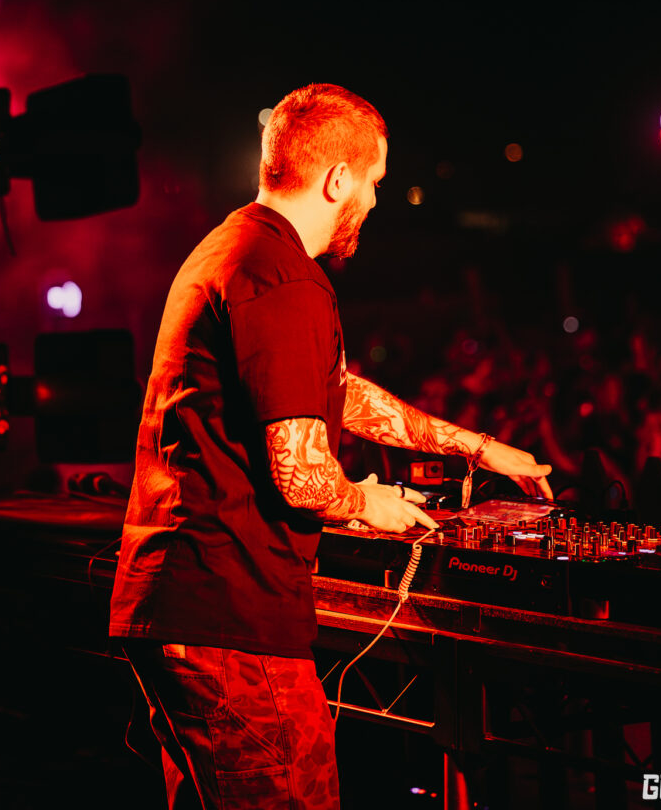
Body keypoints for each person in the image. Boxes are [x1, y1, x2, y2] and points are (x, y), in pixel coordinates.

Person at [109, 82, 553, 810]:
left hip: (183, 608)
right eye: (374, 181)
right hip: (232, 622)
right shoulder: (284, 278)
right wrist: (371, 504)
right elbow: (301, 477)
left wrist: (478, 448)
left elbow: (336, 393)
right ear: (338, 178)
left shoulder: (235, 248)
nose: (374, 201)